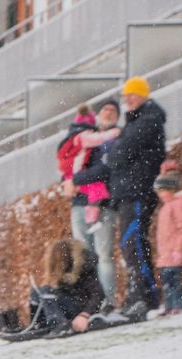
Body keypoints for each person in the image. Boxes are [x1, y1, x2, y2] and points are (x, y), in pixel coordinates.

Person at [111, 77, 167, 320]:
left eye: (133, 95)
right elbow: (118, 153)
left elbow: (120, 152)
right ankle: (137, 295)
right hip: (128, 192)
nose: (128, 100)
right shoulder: (134, 121)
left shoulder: (149, 118)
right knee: (129, 245)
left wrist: (114, 153)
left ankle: (146, 296)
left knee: (134, 243)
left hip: (138, 191)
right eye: (126, 96)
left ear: (144, 95)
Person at [69, 99, 122, 307]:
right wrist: (69, 180)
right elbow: (68, 165)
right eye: (105, 109)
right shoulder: (86, 138)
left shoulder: (116, 138)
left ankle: (108, 301)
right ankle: (89, 302)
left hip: (103, 203)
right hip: (79, 204)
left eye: (113, 110)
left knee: (103, 254)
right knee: (83, 258)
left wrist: (77, 180)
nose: (108, 113)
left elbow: (106, 169)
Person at [0, 239, 105, 342]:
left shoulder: (84, 269)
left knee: (46, 291)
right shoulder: (67, 269)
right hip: (73, 305)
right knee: (37, 292)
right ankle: (39, 323)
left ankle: (60, 323)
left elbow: (98, 294)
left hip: (82, 308)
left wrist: (84, 315)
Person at [153, 163, 182, 316]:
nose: (160, 195)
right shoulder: (166, 206)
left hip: (174, 253)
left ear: (172, 189)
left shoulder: (179, 204)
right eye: (159, 192)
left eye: (163, 191)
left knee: (175, 282)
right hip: (165, 254)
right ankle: (169, 306)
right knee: (166, 282)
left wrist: (178, 249)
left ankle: (179, 305)